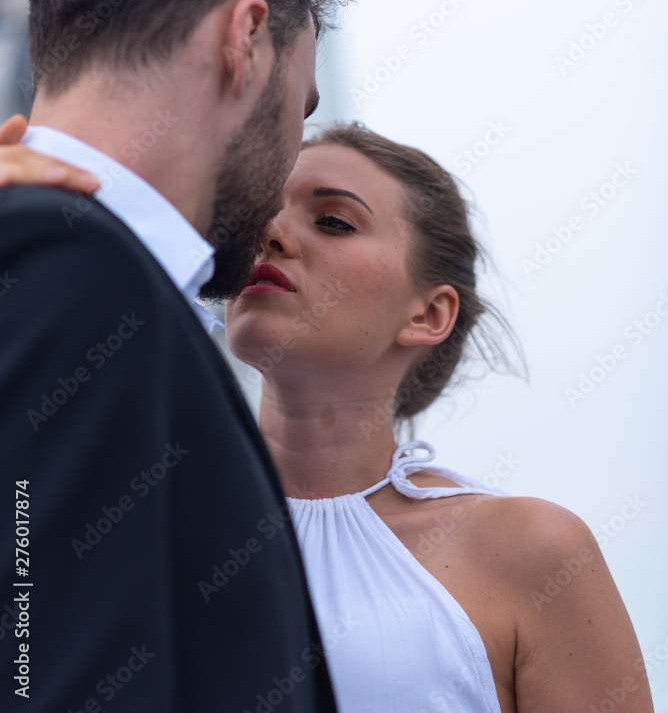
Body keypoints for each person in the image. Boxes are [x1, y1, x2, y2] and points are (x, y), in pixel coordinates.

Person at [0, 121, 654, 712]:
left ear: (429, 314)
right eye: (260, 215)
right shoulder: (121, 523)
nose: (271, 235)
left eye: (334, 221)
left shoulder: (530, 551)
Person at [0, 0, 348, 712]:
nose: (293, 157)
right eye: (301, 108)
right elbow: (48, 678)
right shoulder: (76, 266)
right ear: (248, 41)